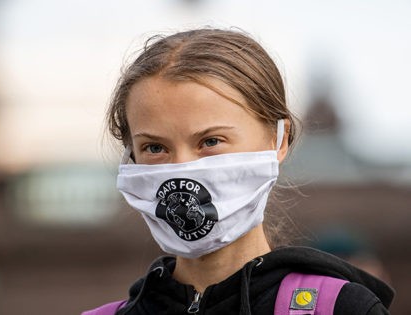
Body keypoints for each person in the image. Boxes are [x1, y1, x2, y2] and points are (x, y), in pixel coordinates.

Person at [83, 28, 394, 314]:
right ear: (131, 155)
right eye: (154, 148)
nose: (182, 167)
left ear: (278, 140)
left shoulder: (342, 308)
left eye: (210, 141)